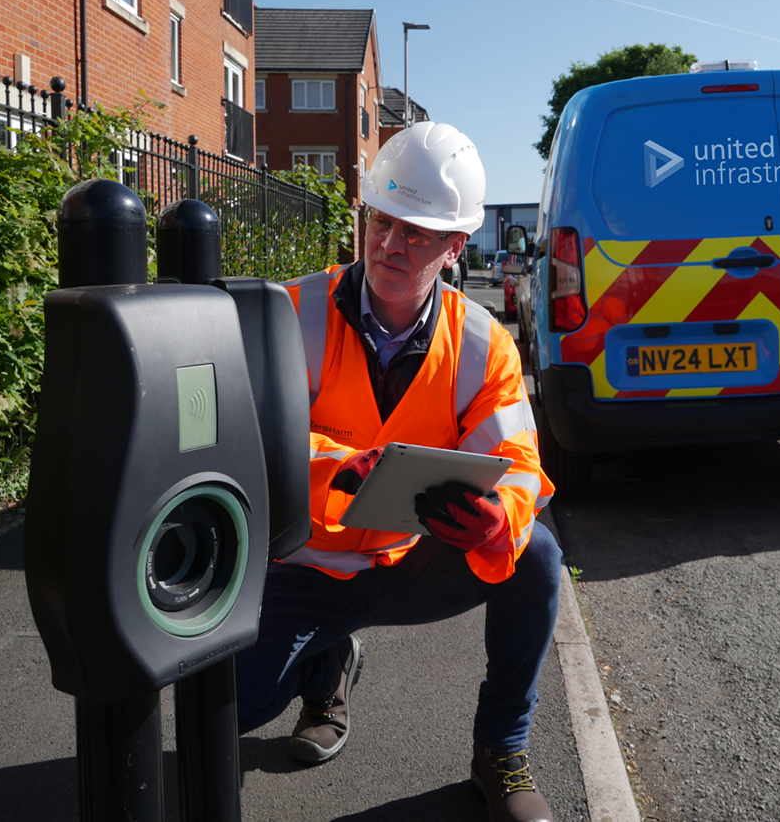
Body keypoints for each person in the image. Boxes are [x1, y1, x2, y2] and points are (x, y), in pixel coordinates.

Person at [235, 122, 560, 822]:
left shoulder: (483, 344)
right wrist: (338, 468)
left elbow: (519, 464)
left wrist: (498, 517)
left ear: (455, 246)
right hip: (302, 565)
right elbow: (245, 439)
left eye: (416, 232)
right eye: (382, 222)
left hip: (412, 560)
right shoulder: (291, 313)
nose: (390, 244)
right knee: (231, 706)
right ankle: (327, 669)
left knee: (534, 553)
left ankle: (500, 749)